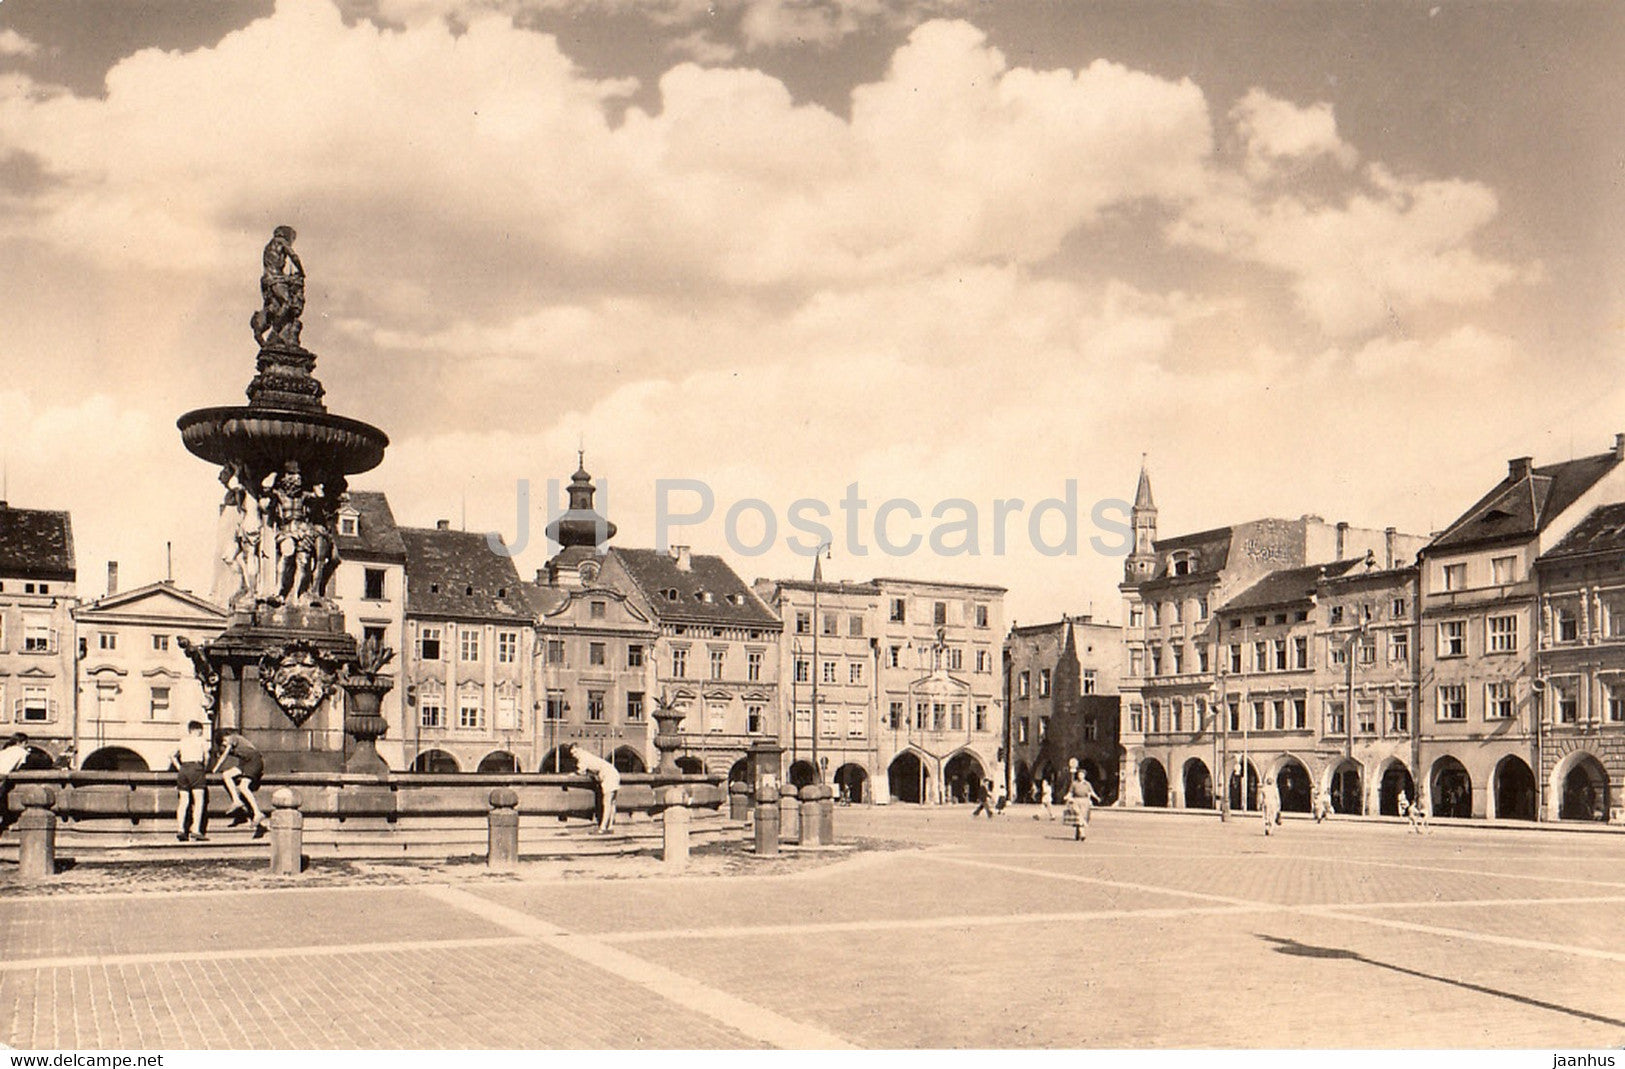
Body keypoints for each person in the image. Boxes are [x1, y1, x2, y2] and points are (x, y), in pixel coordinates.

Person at [213, 732, 268, 837]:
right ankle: (236, 800)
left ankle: (257, 812)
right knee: (227, 775)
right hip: (245, 763)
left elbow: (224, 755)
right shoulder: (232, 744)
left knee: (243, 786)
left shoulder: (233, 738)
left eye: (224, 742)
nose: (224, 745)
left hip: (254, 760)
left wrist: (215, 769)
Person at [170, 721, 211, 841]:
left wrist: (179, 767)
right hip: (196, 768)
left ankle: (180, 829)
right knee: (199, 801)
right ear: (198, 730)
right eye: (201, 730)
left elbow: (172, 755)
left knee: (183, 802)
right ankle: (196, 830)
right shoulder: (202, 740)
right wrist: (205, 768)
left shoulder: (183, 741)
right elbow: (207, 756)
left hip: (184, 769)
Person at [569, 745, 621, 833]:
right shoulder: (587, 755)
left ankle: (603, 828)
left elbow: (581, 771)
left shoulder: (583, 757)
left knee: (607, 802)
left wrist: (572, 775)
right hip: (613, 773)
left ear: (580, 749)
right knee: (612, 803)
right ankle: (610, 827)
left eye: (575, 752)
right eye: (572, 754)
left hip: (608, 775)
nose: (574, 755)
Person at [0, 733, 31, 835]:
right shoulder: (22, 752)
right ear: (20, 742)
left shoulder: (5, 751)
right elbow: (22, 766)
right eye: (25, 743)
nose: (26, 746)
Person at [1063, 761, 1100, 842]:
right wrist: (1067, 796)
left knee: (1083, 818)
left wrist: (1096, 797)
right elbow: (1070, 792)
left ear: (1084, 776)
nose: (1080, 776)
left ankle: (1078, 833)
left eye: (1082, 775)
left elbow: (1091, 792)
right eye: (1079, 774)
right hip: (1076, 801)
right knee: (1079, 817)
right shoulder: (1074, 784)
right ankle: (1082, 834)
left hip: (1085, 802)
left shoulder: (1087, 784)